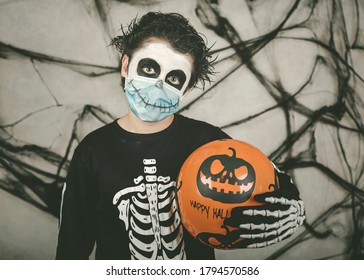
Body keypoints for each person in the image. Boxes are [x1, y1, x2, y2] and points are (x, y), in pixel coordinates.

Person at [56, 12, 305, 260]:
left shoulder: (210, 144)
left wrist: (293, 209)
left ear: (185, 88)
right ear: (125, 65)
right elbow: (71, 250)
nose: (158, 85)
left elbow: (276, 188)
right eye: (149, 68)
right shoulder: (93, 151)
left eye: (174, 78)